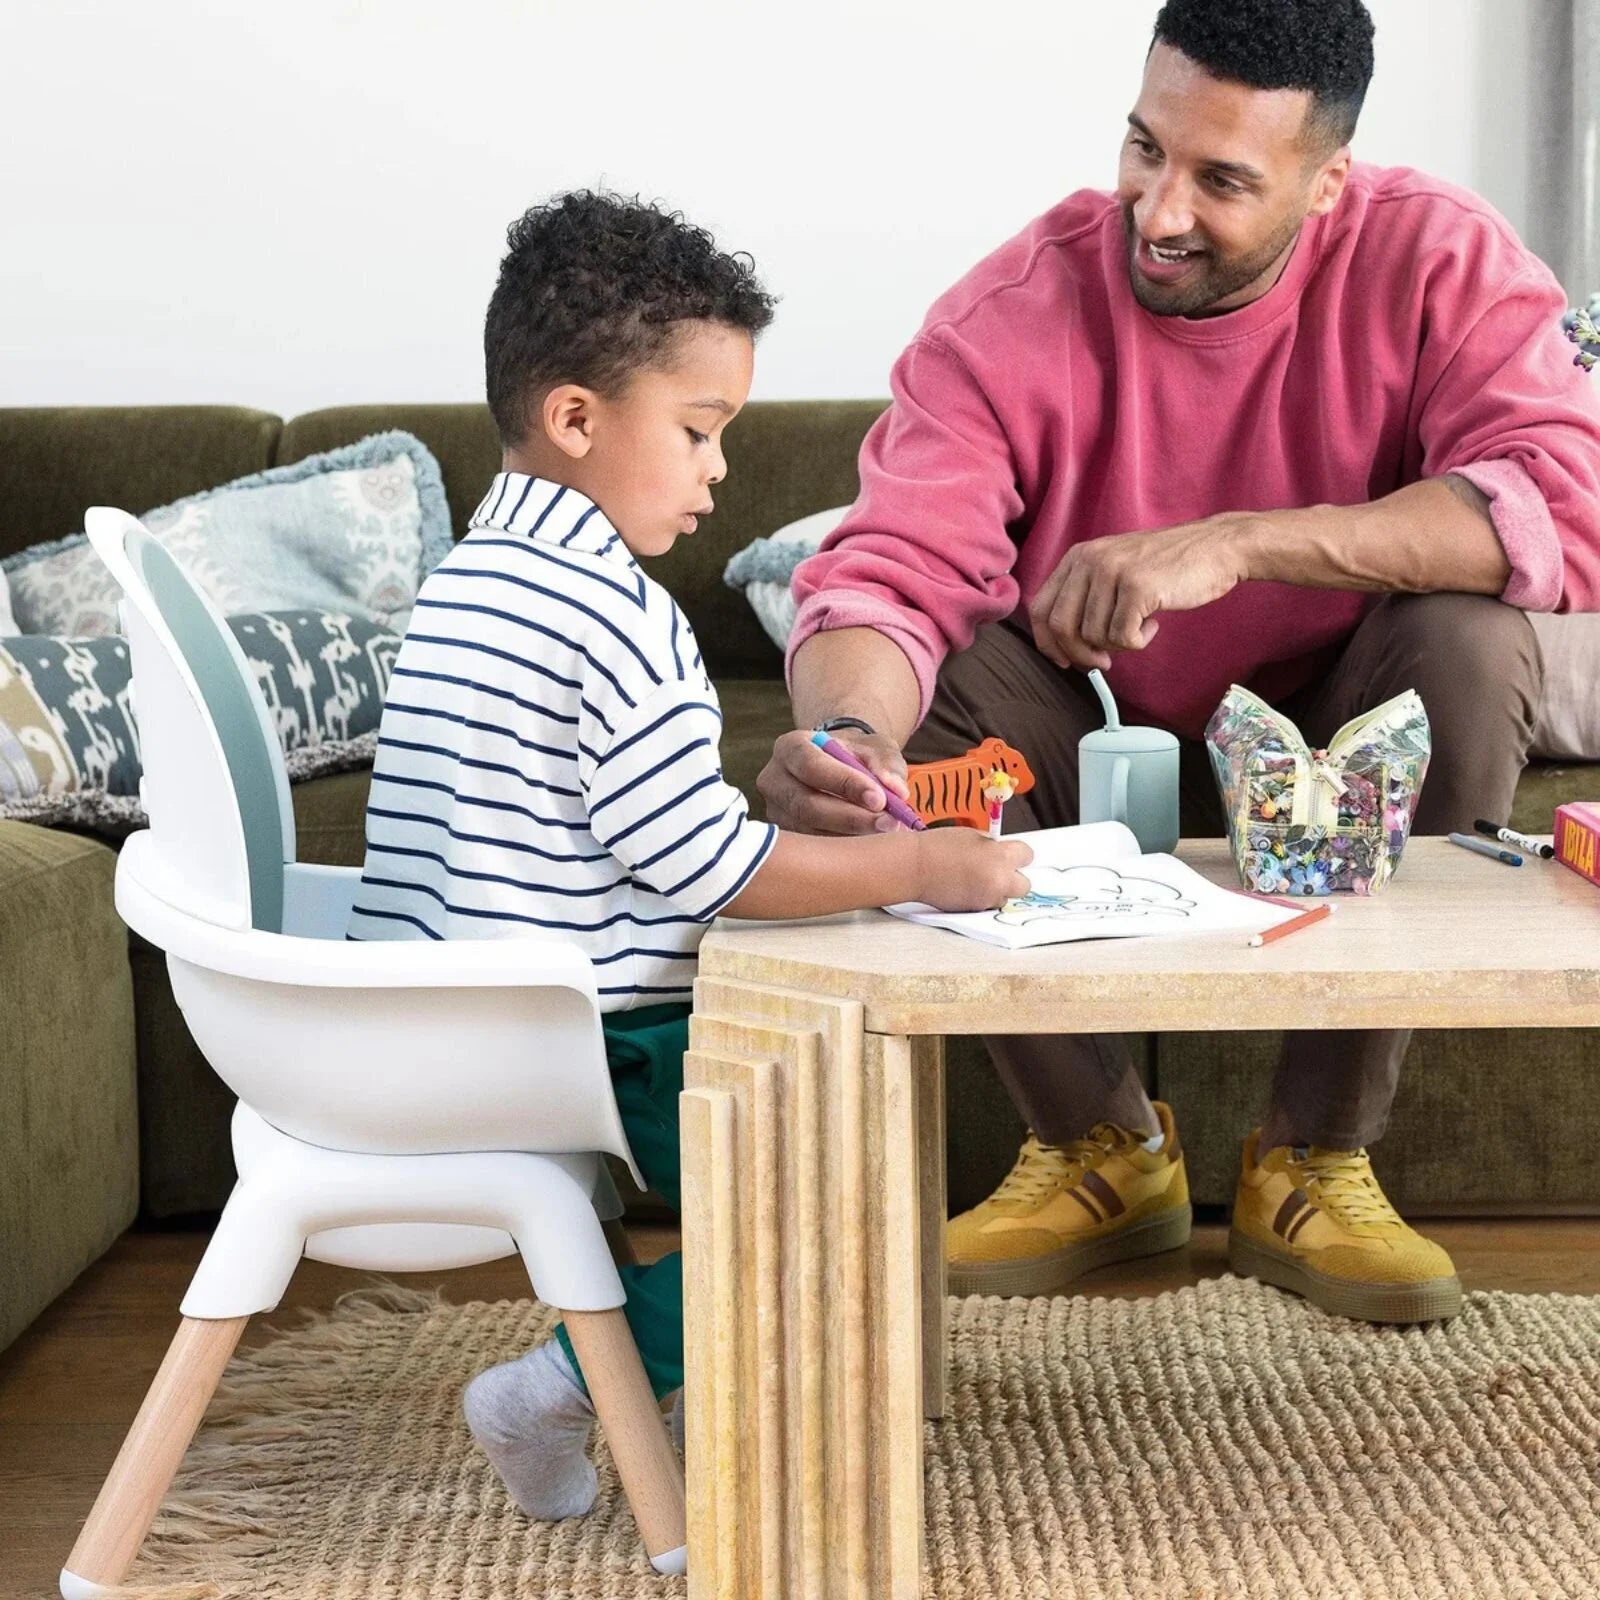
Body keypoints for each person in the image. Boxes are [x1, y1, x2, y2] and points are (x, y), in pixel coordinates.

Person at [759, 0, 1600, 1326]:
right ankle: (1103, 1149)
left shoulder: (1441, 257)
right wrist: (850, 737)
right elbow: (887, 574)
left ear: (1327, 185)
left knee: (1469, 637)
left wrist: (1239, 544)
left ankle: (1312, 1156)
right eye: (1145, 147)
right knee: (929, 694)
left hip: (1338, 720)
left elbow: (1562, 503)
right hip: (1087, 717)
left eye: (1222, 180)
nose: (1158, 210)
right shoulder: (1012, 309)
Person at [345, 192, 1030, 1523]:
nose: (718, 472)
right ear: (576, 418)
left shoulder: (463, 584)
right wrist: (925, 871)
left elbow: (621, 828)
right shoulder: (618, 615)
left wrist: (777, 829)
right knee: (841, 1198)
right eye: (700, 431)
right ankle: (561, 1388)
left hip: (441, 1019)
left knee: (814, 1163)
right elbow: (712, 874)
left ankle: (627, 1376)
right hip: (582, 1037)